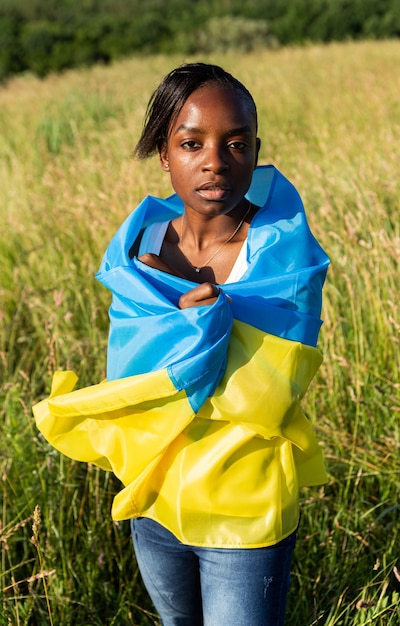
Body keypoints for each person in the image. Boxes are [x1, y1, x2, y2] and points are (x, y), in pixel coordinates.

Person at [33, 63, 330, 625]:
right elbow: (129, 378)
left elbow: (273, 395)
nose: (215, 160)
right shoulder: (138, 247)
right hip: (156, 498)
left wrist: (201, 326)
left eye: (235, 143)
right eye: (191, 143)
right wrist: (180, 327)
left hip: (243, 512)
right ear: (165, 155)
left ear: (256, 150)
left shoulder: (285, 259)